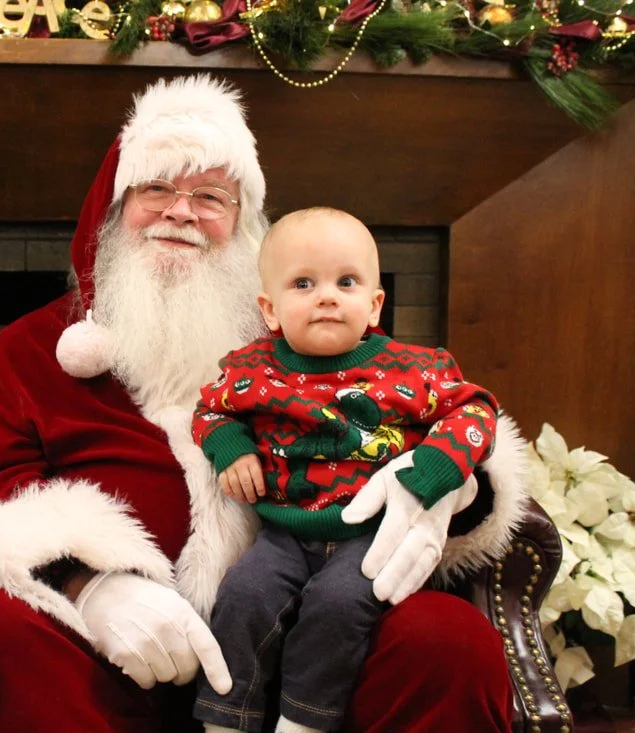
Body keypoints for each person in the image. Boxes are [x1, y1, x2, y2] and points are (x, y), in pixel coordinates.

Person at [0, 75, 527, 732]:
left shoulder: (301, 330)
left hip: (301, 650)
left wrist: (449, 487)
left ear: (243, 225)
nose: (181, 211)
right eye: (157, 188)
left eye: (210, 196)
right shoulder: (36, 347)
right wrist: (89, 586)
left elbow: (438, 408)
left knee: (449, 641)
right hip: (97, 664)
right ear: (113, 210)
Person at [191, 207, 500, 733]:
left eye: (347, 281)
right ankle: (226, 718)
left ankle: (303, 721)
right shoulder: (253, 369)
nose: (327, 296)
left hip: (370, 534)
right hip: (284, 532)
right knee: (243, 596)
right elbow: (210, 409)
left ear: (375, 304)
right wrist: (231, 447)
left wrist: (434, 469)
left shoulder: (413, 369)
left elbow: (475, 410)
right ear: (271, 309)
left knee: (336, 607)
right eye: (304, 283)